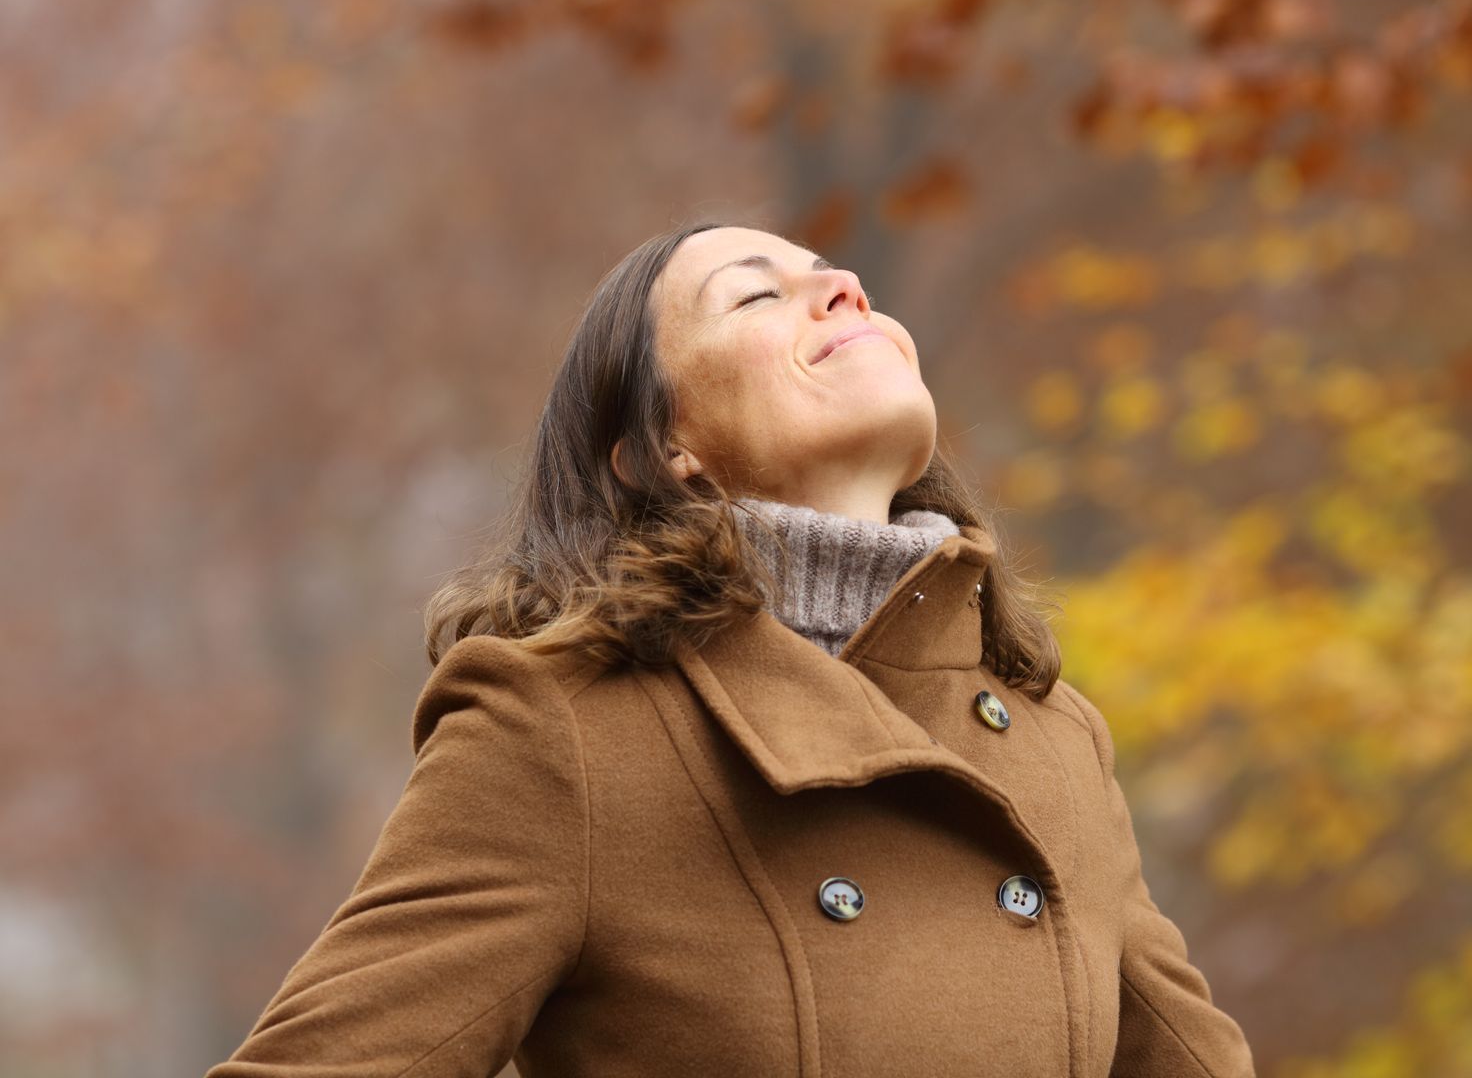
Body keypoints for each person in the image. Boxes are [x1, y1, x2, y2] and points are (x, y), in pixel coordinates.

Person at [208, 213, 1257, 1077]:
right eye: (759, 294)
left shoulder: (1052, 739)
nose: (842, 284)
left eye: (836, 277)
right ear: (666, 448)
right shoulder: (569, 733)